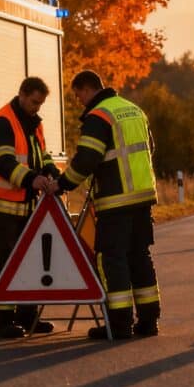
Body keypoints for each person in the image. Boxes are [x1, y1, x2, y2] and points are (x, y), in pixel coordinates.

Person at [47, 70, 160, 340]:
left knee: (113, 260)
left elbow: (86, 160)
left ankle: (119, 325)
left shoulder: (98, 116)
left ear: (87, 90)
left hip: (114, 201)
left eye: (78, 95)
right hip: (143, 198)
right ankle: (148, 321)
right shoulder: (134, 110)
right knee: (139, 257)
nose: (79, 101)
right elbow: (150, 148)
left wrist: (61, 185)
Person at [0, 77, 59, 338]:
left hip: (26, 206)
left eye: (41, 103)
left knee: (32, 262)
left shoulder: (33, 124)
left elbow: (42, 155)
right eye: (34, 102)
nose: (37, 107)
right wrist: (32, 179)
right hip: (2, 207)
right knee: (5, 263)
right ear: (22, 94)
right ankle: (2, 322)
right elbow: (3, 162)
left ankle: (28, 317)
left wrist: (50, 173)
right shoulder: (2, 122)